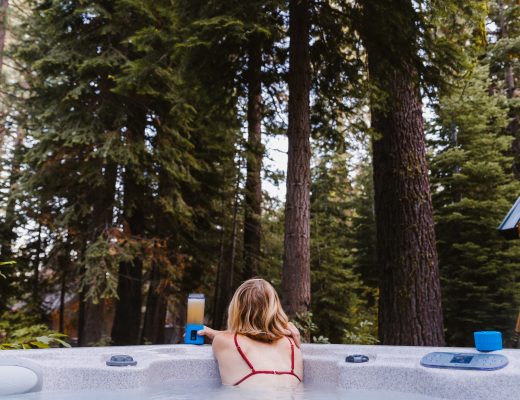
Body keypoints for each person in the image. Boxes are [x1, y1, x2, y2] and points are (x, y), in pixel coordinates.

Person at [197, 278, 303, 388]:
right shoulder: (293, 344)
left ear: (236, 309)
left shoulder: (223, 341)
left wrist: (215, 333)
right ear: (275, 309)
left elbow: (238, 336)